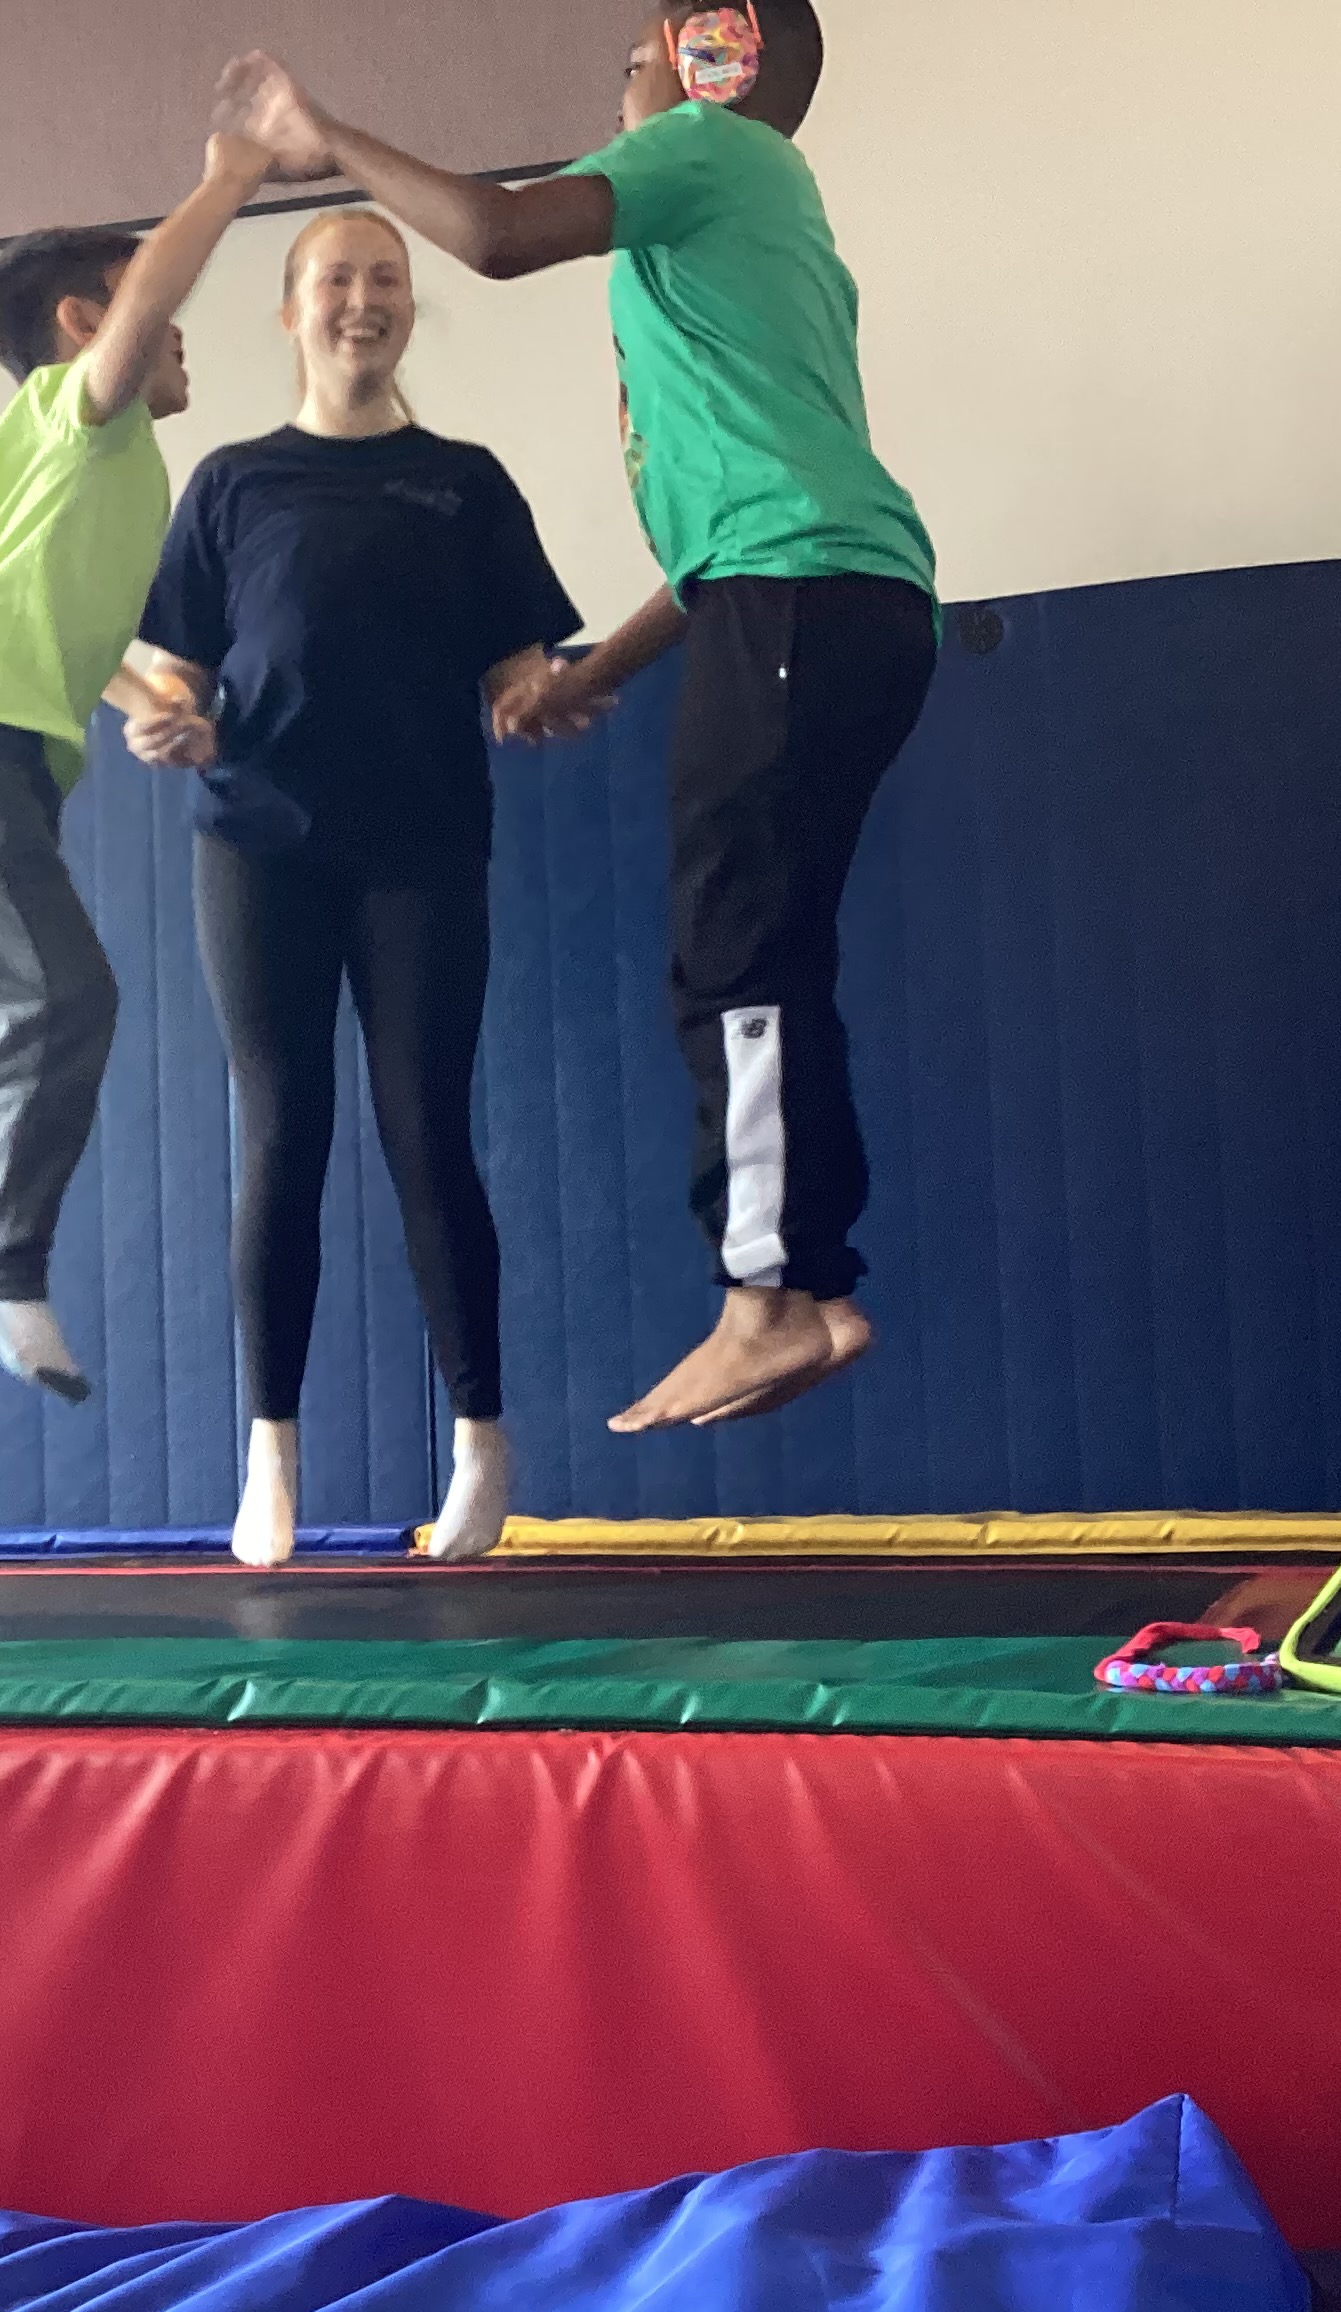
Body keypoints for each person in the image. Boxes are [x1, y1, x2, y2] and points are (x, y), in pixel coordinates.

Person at [214, 4, 941, 1434]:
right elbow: (731, 538)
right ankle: (807, 1284)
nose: (620, 94)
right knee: (771, 954)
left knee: (732, 951)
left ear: (706, 64)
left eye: (634, 64)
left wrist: (325, 138)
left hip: (797, 605)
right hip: (832, 601)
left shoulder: (703, 146)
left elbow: (494, 235)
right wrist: (594, 672)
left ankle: (767, 1299)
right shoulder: (765, 217)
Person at [123, 208, 590, 1565]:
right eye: (336, 278)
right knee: (283, 1133)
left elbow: (519, 666)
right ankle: (270, 1450)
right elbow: (175, 675)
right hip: (257, 844)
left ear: (407, 310)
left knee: (425, 1131)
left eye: (387, 279)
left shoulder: (464, 482)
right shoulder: (232, 483)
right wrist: (163, 719)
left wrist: (543, 695)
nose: (363, 300)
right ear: (291, 311)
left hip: (422, 851)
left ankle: (482, 1443)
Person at [0, 135, 273, 1425]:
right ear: (90, 323)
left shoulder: (109, 474)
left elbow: (81, 636)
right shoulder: (77, 416)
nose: (181, 335)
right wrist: (232, 178)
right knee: (65, 994)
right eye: (154, 310)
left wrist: (159, 704)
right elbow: (153, 300)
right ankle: (0, 1268)